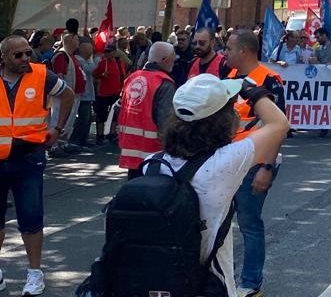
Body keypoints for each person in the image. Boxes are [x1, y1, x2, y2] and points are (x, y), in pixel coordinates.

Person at [156, 73, 289, 297]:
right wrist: (252, 91)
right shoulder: (224, 164)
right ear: (222, 120)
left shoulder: (153, 163)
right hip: (207, 285)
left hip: (154, 279)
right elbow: (279, 124)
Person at [0, 34, 75, 296]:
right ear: (4, 57)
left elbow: (68, 96)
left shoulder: (42, 75)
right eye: (18, 55)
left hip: (29, 156)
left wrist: (57, 128)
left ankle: (34, 273)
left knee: (31, 218)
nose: (25, 59)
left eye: (28, 53)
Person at [223, 29, 286, 297]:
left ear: (244, 51)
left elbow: (278, 128)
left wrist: (266, 168)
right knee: (220, 222)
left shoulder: (269, 81)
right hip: (227, 161)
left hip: (255, 163)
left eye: (228, 48)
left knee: (249, 223)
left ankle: (250, 283)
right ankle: (222, 278)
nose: (224, 53)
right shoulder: (228, 79)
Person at [118, 41, 176, 177]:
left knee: (133, 190)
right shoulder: (164, 83)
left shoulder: (132, 77)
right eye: (173, 57)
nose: (175, 60)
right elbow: (166, 122)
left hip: (130, 147)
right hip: (153, 152)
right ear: (165, 60)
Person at [92, 42, 127, 144]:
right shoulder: (103, 63)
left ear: (114, 52)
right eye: (105, 52)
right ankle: (100, 135)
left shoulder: (118, 62)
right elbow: (95, 74)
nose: (107, 54)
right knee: (101, 115)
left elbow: (122, 74)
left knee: (115, 114)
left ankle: (112, 133)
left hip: (115, 92)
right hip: (103, 93)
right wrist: (102, 75)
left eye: (109, 51)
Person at [70, 38, 97, 148]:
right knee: (83, 118)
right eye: (89, 50)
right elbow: (91, 69)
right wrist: (93, 59)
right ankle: (78, 140)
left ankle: (83, 139)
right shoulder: (79, 60)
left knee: (87, 118)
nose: (91, 52)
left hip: (86, 94)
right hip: (83, 95)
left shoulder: (82, 60)